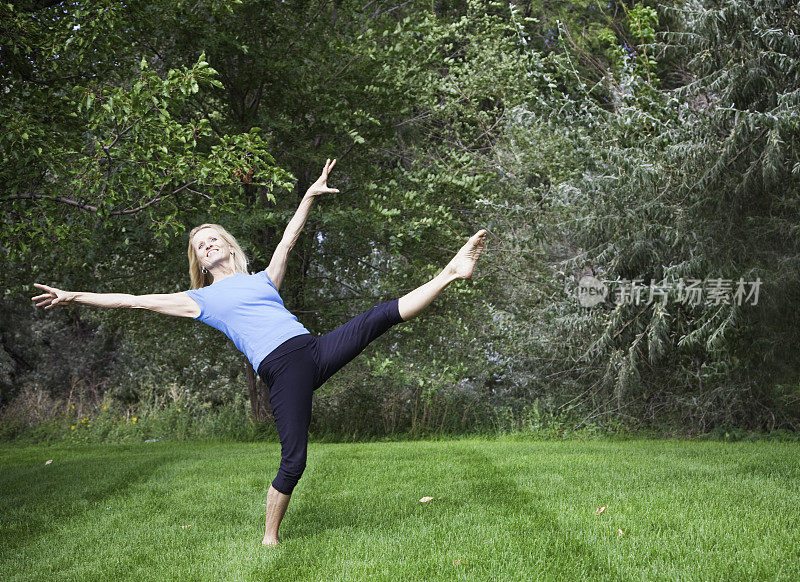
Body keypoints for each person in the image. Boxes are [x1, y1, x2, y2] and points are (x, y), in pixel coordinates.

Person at [31, 158, 488, 546]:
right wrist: (72, 296)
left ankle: (450, 271)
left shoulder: (263, 280)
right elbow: (132, 301)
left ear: (227, 246)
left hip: (312, 350)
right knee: (295, 458)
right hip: (282, 370)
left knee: (378, 317)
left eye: (213, 239)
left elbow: (288, 239)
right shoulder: (201, 300)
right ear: (198, 261)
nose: (208, 246)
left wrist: (308, 196)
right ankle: (270, 538)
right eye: (199, 246)